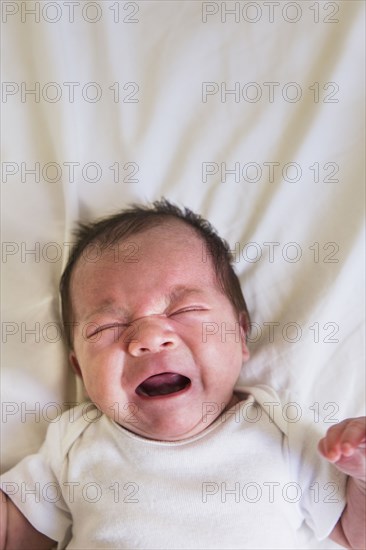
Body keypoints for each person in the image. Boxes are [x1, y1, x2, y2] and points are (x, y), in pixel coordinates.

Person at [1, 199, 365, 549]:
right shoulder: (75, 444)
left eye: (184, 309)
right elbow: (13, 534)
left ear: (239, 335)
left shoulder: (280, 432)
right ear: (79, 369)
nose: (149, 338)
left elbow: (355, 533)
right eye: (106, 327)